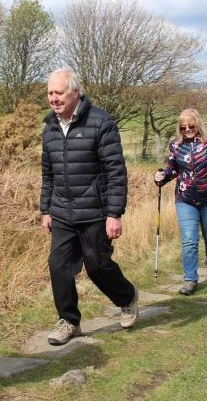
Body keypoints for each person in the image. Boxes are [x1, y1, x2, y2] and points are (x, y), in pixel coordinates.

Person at [41, 68, 139, 345]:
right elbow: (48, 174)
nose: (53, 98)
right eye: (49, 93)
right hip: (61, 211)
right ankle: (69, 321)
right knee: (58, 265)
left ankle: (127, 296)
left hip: (95, 211)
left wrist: (114, 213)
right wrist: (45, 209)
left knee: (97, 266)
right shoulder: (49, 127)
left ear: (75, 92)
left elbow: (115, 172)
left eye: (58, 93)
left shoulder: (101, 122)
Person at [154, 109, 207, 296]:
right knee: (189, 240)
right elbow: (172, 168)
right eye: (183, 126)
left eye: (191, 126)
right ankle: (190, 279)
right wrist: (162, 176)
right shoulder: (176, 145)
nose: (188, 129)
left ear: (198, 124)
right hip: (185, 200)